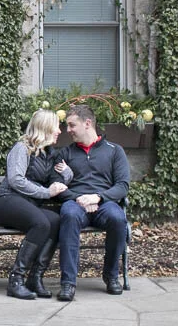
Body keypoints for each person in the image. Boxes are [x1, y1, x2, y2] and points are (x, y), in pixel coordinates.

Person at [54, 104, 131, 302]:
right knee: (69, 215)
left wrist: (98, 197)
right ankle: (68, 282)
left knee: (118, 218)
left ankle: (111, 275)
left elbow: (122, 186)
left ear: (87, 123)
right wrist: (78, 198)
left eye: (72, 125)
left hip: (104, 203)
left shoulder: (115, 151)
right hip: (75, 202)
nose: (67, 130)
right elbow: (55, 186)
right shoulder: (65, 153)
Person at [0, 109, 73, 300]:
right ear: (45, 128)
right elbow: (16, 180)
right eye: (56, 127)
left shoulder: (51, 153)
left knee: (55, 220)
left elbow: (56, 183)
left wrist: (68, 174)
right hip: (8, 201)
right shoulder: (22, 148)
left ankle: (35, 277)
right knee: (42, 223)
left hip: (30, 206)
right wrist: (46, 192)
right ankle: (16, 279)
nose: (60, 131)